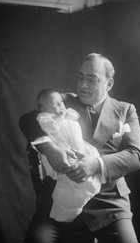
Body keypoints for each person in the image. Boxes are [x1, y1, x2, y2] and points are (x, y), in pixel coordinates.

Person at [19, 53, 140, 243]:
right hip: (62, 198)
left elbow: (136, 155)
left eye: (92, 79)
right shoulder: (64, 102)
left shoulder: (125, 110)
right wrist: (50, 149)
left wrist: (96, 165)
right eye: (80, 78)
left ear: (109, 83)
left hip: (109, 201)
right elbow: (27, 120)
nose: (83, 85)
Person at [35, 88, 104, 222]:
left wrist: (67, 114)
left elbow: (76, 116)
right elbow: (50, 127)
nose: (61, 105)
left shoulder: (68, 110)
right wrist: (61, 116)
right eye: (56, 104)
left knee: (93, 156)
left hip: (80, 145)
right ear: (43, 108)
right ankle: (68, 209)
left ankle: (87, 187)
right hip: (64, 148)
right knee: (73, 178)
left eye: (61, 102)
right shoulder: (44, 117)